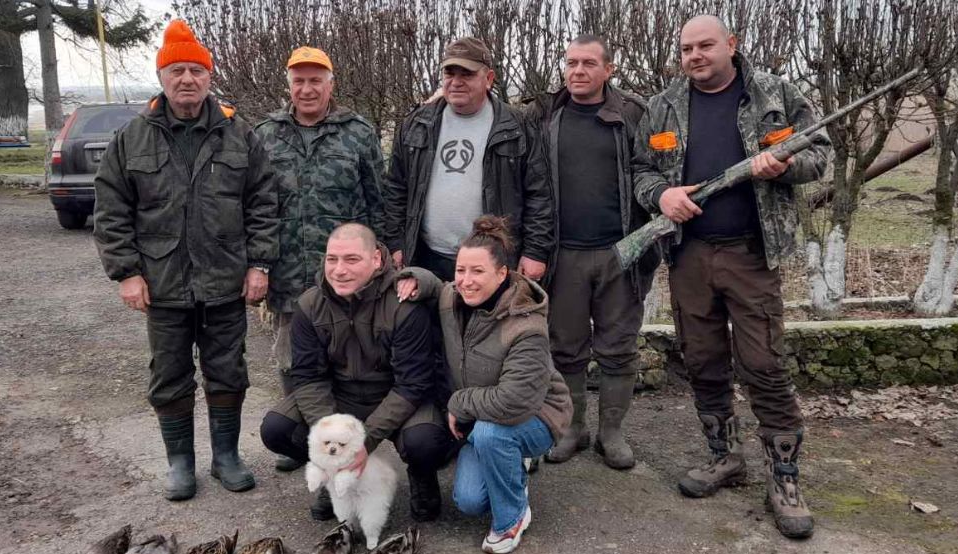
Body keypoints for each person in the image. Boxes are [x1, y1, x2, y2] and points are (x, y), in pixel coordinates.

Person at [632, 15, 830, 539]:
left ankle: (785, 479)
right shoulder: (662, 105)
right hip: (689, 255)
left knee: (764, 363)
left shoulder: (776, 95)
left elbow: (821, 154)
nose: (695, 55)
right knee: (702, 360)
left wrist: (782, 167)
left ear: (732, 45)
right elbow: (640, 171)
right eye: (686, 48)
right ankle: (724, 457)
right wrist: (661, 196)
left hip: (750, 255)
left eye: (705, 46)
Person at [93, 19, 278, 502]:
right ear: (162, 78)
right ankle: (180, 463)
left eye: (196, 70)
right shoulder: (132, 138)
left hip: (225, 277)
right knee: (170, 372)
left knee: (228, 369)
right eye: (177, 71)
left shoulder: (238, 134)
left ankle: (226, 457)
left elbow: (263, 201)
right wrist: (127, 272)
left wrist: (260, 264)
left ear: (209, 77)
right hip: (163, 281)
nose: (187, 80)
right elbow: (112, 209)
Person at [396, 216, 571, 554]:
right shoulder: (453, 298)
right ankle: (510, 466)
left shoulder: (526, 326)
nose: (466, 281)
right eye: (461, 270)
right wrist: (414, 278)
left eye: (477, 272)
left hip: (536, 415)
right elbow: (436, 284)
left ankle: (511, 520)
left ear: (502, 274)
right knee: (470, 501)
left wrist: (459, 403)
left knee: (493, 435)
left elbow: (515, 401)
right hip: (483, 413)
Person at [258, 223, 455, 522]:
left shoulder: (404, 305)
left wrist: (363, 443)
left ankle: (421, 477)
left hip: (398, 398)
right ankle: (333, 478)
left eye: (352, 259)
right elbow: (309, 379)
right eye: (331, 259)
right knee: (276, 428)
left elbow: (412, 385)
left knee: (424, 442)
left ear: (376, 259)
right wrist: (332, 440)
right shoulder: (310, 306)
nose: (339, 270)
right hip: (341, 400)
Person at [526, 34, 657, 470]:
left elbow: (657, 167)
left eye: (587, 63)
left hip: (621, 253)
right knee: (566, 348)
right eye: (571, 63)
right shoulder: (546, 112)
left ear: (608, 69)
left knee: (619, 347)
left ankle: (612, 434)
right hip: (563, 255)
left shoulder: (634, 112)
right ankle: (572, 429)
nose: (577, 71)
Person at [254, 45, 386, 471]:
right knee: (291, 357)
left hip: (346, 273)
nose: (307, 89)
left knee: (348, 356)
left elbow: (376, 201)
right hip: (289, 270)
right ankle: (302, 438)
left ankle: (351, 435)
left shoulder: (358, 133)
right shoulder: (265, 134)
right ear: (288, 86)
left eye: (315, 81)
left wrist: (380, 257)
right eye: (299, 81)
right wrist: (256, 263)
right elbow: (254, 205)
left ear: (331, 85)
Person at [380, 37, 553, 283]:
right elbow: (396, 189)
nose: (456, 82)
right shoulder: (416, 123)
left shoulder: (519, 127)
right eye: (450, 73)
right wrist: (396, 243)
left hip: (493, 260)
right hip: (426, 257)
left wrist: (535, 252)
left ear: (489, 79)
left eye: (467, 74)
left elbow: (539, 195)